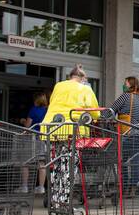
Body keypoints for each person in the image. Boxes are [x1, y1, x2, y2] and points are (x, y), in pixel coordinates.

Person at [41, 65, 100, 196]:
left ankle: (55, 196)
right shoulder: (85, 89)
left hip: (52, 128)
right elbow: (95, 112)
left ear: (70, 76)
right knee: (69, 165)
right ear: (83, 78)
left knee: (56, 164)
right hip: (72, 130)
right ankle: (65, 198)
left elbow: (52, 102)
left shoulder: (58, 86)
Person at [111, 77, 139, 193]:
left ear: (130, 85)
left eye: (125, 83)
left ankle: (124, 185)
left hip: (126, 133)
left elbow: (111, 110)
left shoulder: (125, 96)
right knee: (136, 159)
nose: (124, 85)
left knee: (121, 159)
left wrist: (101, 115)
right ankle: (134, 185)